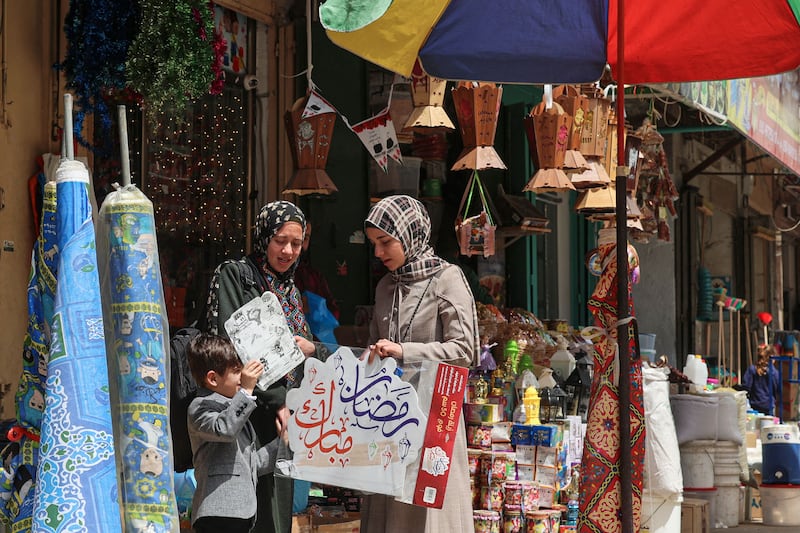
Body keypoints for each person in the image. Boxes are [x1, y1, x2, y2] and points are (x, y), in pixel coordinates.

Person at [361, 195, 478, 533]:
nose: (379, 253)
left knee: (428, 513)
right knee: (388, 513)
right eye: (373, 244)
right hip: (388, 421)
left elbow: (464, 350)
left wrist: (404, 351)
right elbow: (374, 345)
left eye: (385, 242)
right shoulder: (385, 286)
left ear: (410, 234)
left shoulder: (447, 279)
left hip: (434, 420)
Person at [205, 200, 316, 533]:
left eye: (296, 243)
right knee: (245, 513)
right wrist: (279, 399)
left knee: (276, 514)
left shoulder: (291, 290)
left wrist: (310, 349)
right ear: (263, 236)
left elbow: (297, 354)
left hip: (284, 421)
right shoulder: (236, 276)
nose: (287, 250)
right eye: (280, 240)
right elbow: (235, 346)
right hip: (246, 416)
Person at [186, 333, 288, 533]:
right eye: (236, 371)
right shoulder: (199, 407)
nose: (243, 376)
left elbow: (251, 464)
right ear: (213, 378)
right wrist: (247, 391)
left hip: (241, 513)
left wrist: (282, 443)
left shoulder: (235, 408)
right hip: (217, 513)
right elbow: (225, 429)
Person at [294, 219, 340, 320]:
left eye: (305, 238)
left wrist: (316, 310)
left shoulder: (314, 276)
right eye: (295, 239)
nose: (299, 244)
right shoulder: (265, 277)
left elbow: (333, 311)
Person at [742, 344, 780, 415]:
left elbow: (745, 387)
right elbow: (779, 390)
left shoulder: (752, 370)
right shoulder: (775, 373)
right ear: (772, 358)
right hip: (769, 407)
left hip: (754, 408)